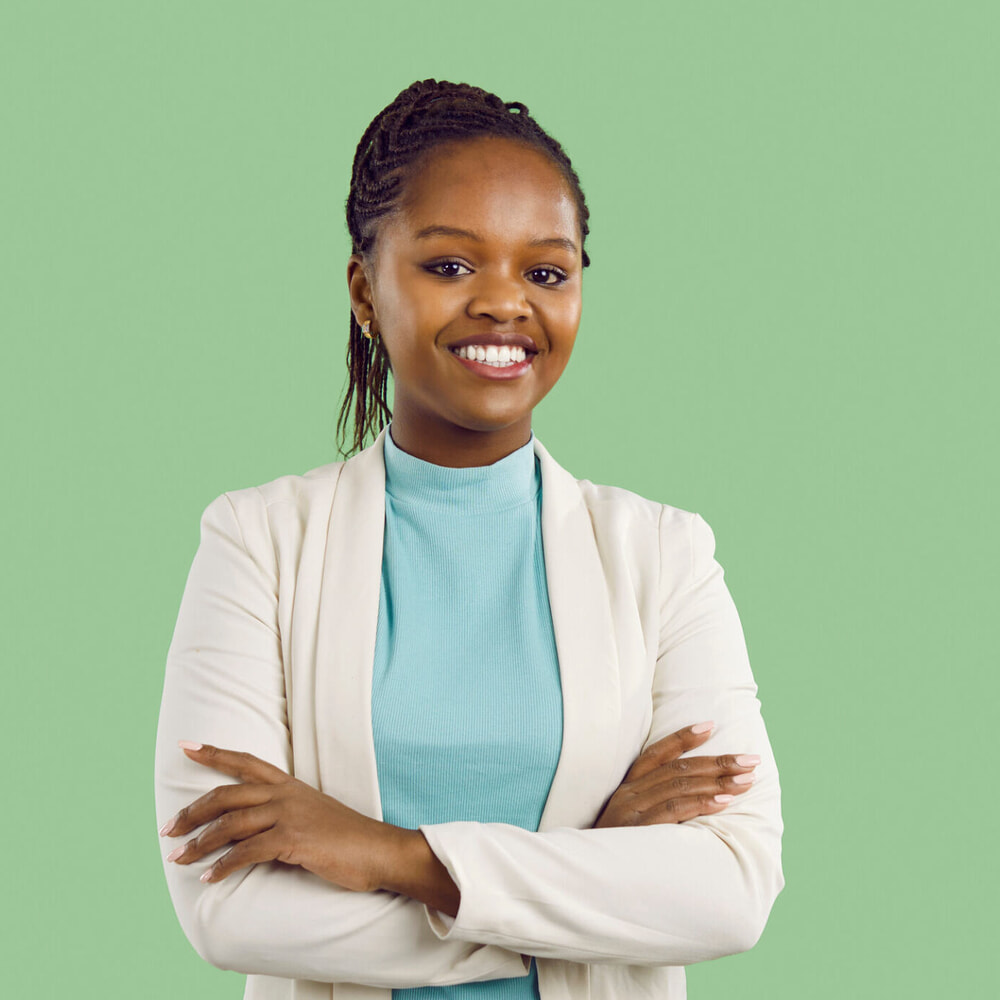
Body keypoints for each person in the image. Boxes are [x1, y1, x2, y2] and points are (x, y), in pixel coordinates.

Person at [154, 79, 784, 1000]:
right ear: (365, 291)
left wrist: (391, 856)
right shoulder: (256, 543)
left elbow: (731, 892)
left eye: (546, 271)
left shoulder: (664, 555)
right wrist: (593, 880)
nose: (505, 304)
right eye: (451, 267)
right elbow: (230, 909)